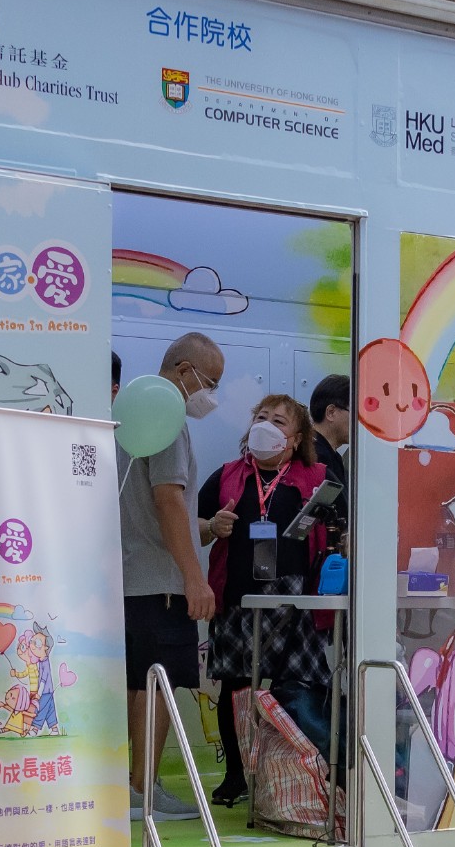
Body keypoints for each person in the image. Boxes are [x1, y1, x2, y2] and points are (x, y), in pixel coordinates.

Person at [197, 394, 333, 806]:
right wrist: (212, 526)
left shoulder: (318, 477)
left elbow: (342, 530)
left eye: (278, 421)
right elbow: (193, 526)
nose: (266, 426)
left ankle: (295, 773)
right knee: (236, 686)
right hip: (239, 596)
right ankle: (236, 775)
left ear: (297, 438)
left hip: (297, 601)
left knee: (296, 685)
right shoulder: (227, 475)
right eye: (261, 417)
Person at [120, 333, 222, 820]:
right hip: (161, 581)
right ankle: (144, 786)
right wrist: (194, 577)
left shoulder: (127, 414)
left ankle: (132, 783)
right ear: (184, 371)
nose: (212, 394)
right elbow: (167, 499)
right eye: (210, 381)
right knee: (157, 684)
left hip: (126, 579)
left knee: (135, 681)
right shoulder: (168, 418)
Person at [308, 373, 351, 488]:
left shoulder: (329, 453)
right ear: (331, 412)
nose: (359, 423)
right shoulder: (314, 457)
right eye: (356, 414)